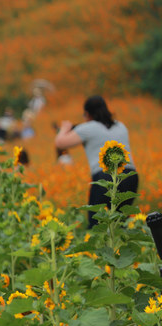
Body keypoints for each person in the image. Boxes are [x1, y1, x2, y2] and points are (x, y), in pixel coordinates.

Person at [55, 95, 138, 228]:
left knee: (96, 224)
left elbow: (60, 143)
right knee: (120, 222)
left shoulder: (88, 127)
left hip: (105, 177)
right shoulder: (121, 126)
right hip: (130, 176)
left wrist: (66, 127)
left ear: (87, 114)